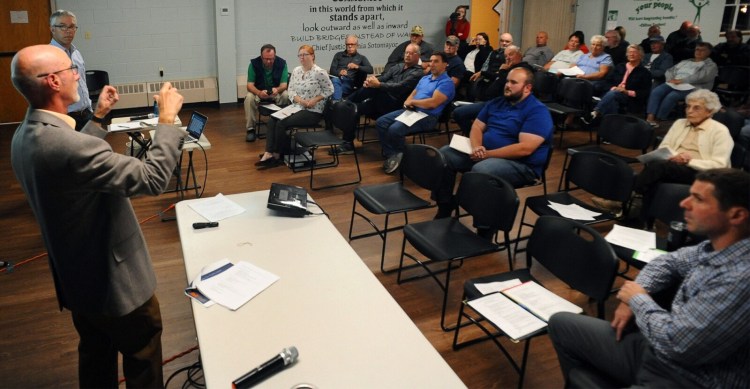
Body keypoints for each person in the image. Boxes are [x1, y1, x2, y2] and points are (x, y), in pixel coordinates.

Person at [10, 44, 187, 388]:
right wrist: (166, 121)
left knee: (96, 354)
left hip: (78, 278)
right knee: (142, 356)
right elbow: (151, 179)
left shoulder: (25, 134)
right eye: (69, 70)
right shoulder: (67, 146)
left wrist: (99, 117)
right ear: (53, 82)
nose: (77, 74)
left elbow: (70, 162)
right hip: (116, 283)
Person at [549, 167, 750, 388]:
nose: (684, 204)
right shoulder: (715, 246)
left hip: (687, 378)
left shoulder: (740, 278)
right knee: (561, 324)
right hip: (655, 351)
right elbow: (668, 261)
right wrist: (634, 294)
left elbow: (677, 344)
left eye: (698, 199)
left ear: (736, 215)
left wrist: (638, 300)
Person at [434, 67, 553, 220]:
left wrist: (487, 155)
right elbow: (477, 126)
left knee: (482, 169)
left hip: (521, 165)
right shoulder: (498, 102)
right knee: (445, 155)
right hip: (485, 153)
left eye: (513, 82)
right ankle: (445, 205)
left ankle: (485, 227)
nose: (507, 85)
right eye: (507, 81)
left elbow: (525, 149)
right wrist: (477, 147)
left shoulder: (537, 111)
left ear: (527, 88)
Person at [256, 45, 333, 170]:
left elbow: (329, 90)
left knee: (281, 123)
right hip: (297, 106)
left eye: (305, 55)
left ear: (312, 56)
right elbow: (290, 91)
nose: (302, 58)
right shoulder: (297, 70)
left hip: (312, 111)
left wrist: (315, 99)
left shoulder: (319, 72)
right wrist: (300, 100)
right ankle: (269, 152)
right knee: (272, 119)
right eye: (300, 55)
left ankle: (277, 154)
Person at [377, 52, 455, 174]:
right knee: (381, 122)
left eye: (436, 61)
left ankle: (403, 160)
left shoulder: (446, 82)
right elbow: (412, 94)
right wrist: (407, 102)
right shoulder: (425, 78)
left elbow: (433, 103)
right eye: (431, 61)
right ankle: (393, 155)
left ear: (445, 64)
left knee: (394, 129)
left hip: (427, 116)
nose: (432, 64)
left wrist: (413, 102)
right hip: (412, 110)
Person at [343, 43, 424, 155]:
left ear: (418, 56)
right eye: (406, 52)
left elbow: (399, 87)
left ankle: (346, 102)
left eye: (411, 53)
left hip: (396, 104)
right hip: (380, 100)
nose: (407, 55)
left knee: (374, 89)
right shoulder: (398, 66)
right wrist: (371, 81)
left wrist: (377, 85)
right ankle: (347, 144)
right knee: (354, 109)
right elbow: (383, 77)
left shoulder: (418, 73)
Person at [645, 42, 717, 127]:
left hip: (692, 86)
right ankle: (650, 117)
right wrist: (670, 79)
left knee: (671, 96)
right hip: (674, 82)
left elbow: (702, 77)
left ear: (709, 52)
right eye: (697, 49)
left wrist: (682, 80)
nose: (699, 52)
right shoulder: (686, 61)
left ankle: (659, 119)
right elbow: (670, 70)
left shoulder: (711, 65)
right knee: (656, 91)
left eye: (703, 50)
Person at [582, 44, 652, 123]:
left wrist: (626, 91)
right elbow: (608, 81)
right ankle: (611, 126)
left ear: (640, 55)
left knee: (614, 94)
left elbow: (644, 92)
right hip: (612, 93)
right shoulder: (620, 66)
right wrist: (613, 88)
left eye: (634, 52)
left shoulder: (645, 72)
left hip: (629, 98)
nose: (631, 54)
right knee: (612, 99)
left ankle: (595, 112)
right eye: (629, 52)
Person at [49, 10, 91, 131]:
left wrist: (89, 108)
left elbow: (82, 83)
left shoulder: (76, 53)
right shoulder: (49, 56)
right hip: (66, 118)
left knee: (91, 149)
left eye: (72, 26)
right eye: (62, 26)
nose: (68, 31)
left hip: (86, 114)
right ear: (52, 29)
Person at [243, 44, 289, 142]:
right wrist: (259, 93)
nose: (269, 61)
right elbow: (250, 85)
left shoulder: (282, 63)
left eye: (271, 59)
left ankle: (280, 124)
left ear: (275, 56)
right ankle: (250, 129)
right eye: (266, 59)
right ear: (261, 56)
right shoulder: (253, 64)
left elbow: (284, 85)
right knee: (249, 97)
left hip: (275, 92)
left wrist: (277, 90)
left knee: (285, 94)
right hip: (259, 92)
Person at [469, 33, 513, 101]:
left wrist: (483, 73)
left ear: (511, 43)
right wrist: (482, 73)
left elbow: (502, 73)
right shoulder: (493, 52)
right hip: (487, 77)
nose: (504, 43)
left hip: (499, 81)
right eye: (502, 41)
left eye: (507, 41)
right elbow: (485, 66)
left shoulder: (511, 56)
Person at [329, 34, 373, 100]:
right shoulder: (338, 55)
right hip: (337, 79)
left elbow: (370, 70)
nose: (350, 46)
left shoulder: (361, 58)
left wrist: (357, 66)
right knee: (335, 80)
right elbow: (332, 70)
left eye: (352, 44)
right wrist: (339, 72)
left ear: (357, 45)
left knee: (335, 87)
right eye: (348, 44)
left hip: (349, 83)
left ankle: (336, 102)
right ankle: (338, 103)